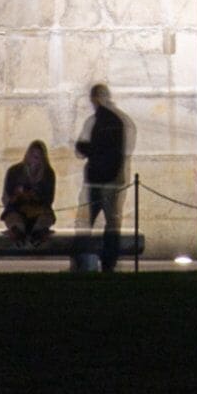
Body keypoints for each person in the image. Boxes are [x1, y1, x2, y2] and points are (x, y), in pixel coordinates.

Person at [74, 83, 131, 262]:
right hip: (113, 179)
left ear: (94, 98)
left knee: (85, 223)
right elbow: (120, 151)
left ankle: (81, 261)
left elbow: (82, 149)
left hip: (96, 180)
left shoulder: (95, 121)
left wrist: (90, 149)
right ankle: (109, 262)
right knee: (112, 224)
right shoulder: (121, 121)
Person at [1, 142, 58, 247]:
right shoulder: (14, 171)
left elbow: (48, 199)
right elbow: (7, 198)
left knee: (43, 221)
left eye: (38, 156)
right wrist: (19, 195)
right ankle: (18, 236)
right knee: (16, 223)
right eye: (33, 155)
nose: (35, 159)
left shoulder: (48, 173)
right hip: (17, 210)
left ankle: (37, 236)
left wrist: (35, 197)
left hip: (39, 211)